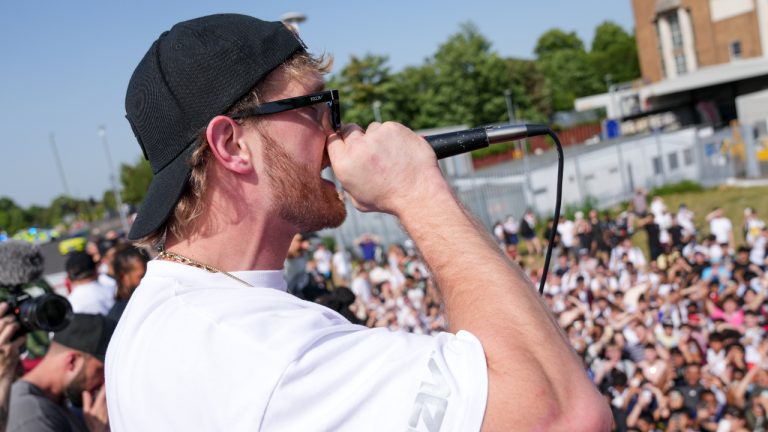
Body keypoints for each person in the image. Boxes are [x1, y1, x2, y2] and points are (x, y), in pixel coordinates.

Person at [106, 14, 610, 431]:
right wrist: (417, 190)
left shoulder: (148, 323)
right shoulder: (265, 352)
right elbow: (567, 415)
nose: (337, 129)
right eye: (316, 104)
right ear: (231, 145)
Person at [8, 314, 116, 432]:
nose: (103, 381)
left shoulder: (53, 402)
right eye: (101, 370)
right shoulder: (33, 415)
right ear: (72, 362)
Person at [106, 244, 149, 322]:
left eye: (149, 274)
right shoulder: (116, 319)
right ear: (123, 276)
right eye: (141, 276)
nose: (148, 279)